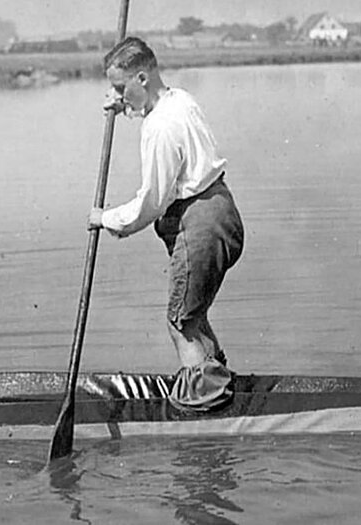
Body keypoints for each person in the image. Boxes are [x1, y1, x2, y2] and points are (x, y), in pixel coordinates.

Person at [89, 37, 244, 413]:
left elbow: (152, 203)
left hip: (200, 224)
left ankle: (203, 410)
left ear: (142, 77)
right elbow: (156, 113)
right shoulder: (180, 99)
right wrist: (125, 105)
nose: (116, 94)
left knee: (180, 320)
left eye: (121, 87)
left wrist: (106, 219)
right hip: (224, 212)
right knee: (194, 312)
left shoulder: (158, 127)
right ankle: (218, 382)